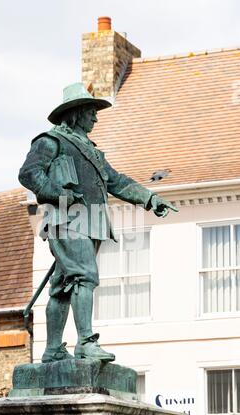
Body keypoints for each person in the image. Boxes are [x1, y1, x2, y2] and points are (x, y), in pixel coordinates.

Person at [19, 82, 177, 363]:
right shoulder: (50, 141)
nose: (95, 117)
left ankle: (53, 349)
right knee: (84, 276)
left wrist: (150, 199)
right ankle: (85, 344)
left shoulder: (91, 150)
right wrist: (60, 194)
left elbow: (116, 181)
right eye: (92, 111)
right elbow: (29, 174)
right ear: (77, 113)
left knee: (61, 285)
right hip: (67, 220)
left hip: (90, 223)